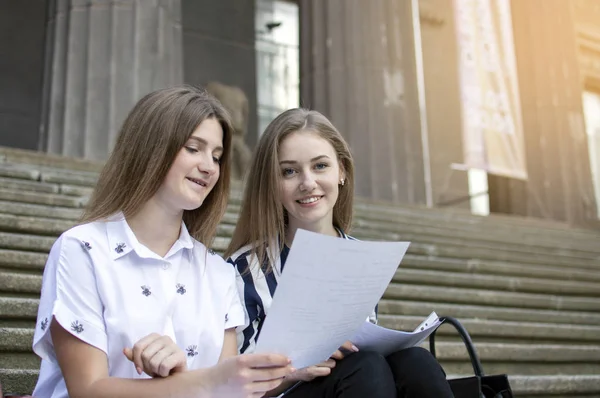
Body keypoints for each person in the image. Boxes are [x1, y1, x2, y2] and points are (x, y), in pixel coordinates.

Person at [31, 85, 293, 398]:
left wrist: (291, 372)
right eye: (193, 148)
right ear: (152, 147)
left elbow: (229, 391)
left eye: (217, 156)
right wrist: (202, 382)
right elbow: (88, 390)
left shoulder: (218, 272)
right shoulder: (82, 250)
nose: (209, 166)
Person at [225, 108, 454, 397]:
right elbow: (232, 384)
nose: (308, 182)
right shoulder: (244, 268)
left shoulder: (361, 258)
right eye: (289, 171)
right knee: (365, 368)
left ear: (341, 171)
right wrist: (296, 371)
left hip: (354, 383)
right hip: (287, 392)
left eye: (320, 166)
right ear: (273, 183)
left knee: (417, 362)